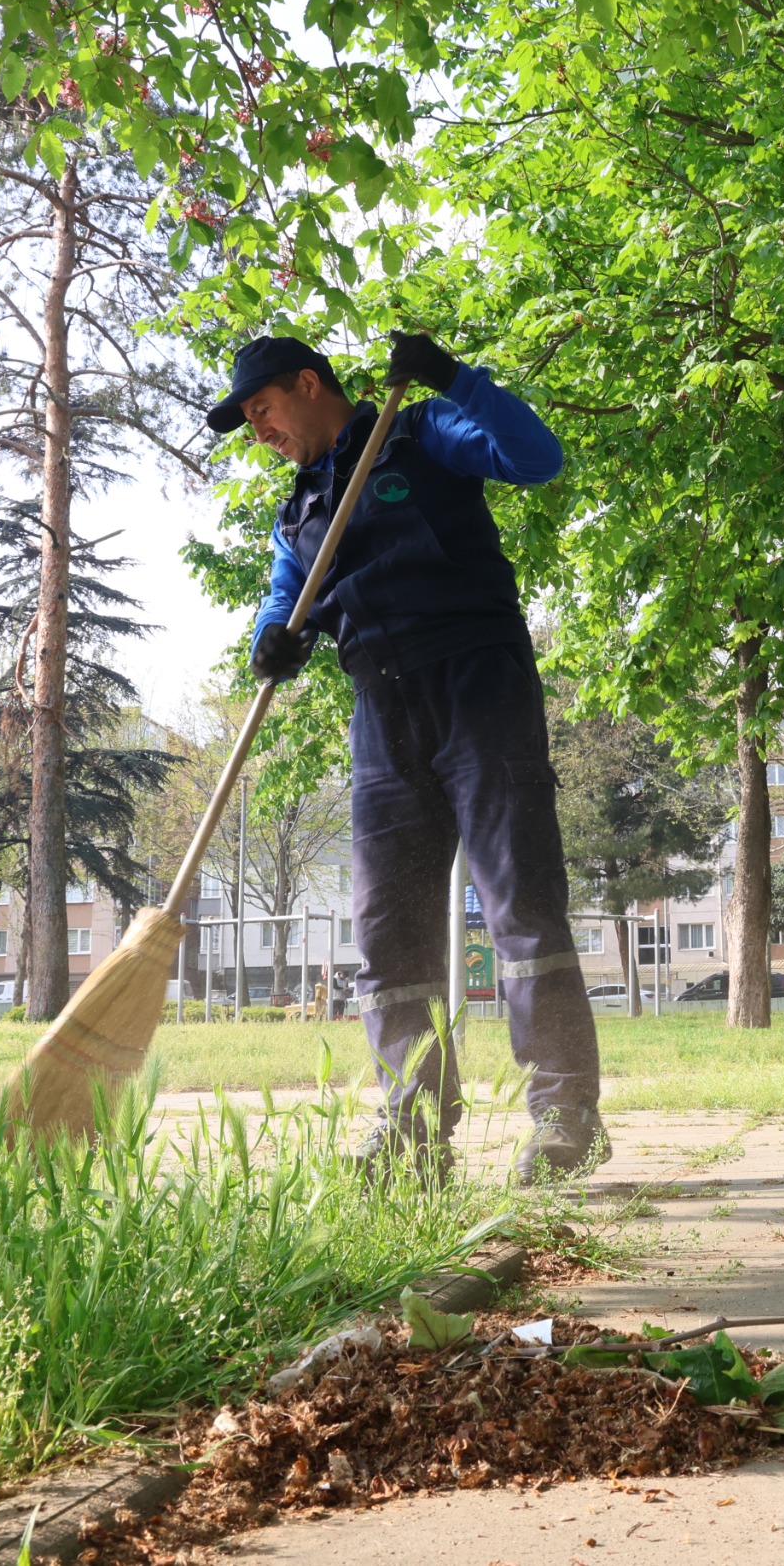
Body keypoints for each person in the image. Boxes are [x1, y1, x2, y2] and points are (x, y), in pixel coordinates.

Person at [211, 330, 605, 1185]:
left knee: (520, 906)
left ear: (307, 384)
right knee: (389, 931)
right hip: (381, 712)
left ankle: (567, 1114)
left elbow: (537, 458)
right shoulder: (299, 510)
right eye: (247, 421)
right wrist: (270, 642)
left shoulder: (422, 432)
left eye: (263, 410)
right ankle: (415, 1126)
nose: (258, 431)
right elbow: (285, 598)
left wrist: (456, 380)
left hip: (478, 686)